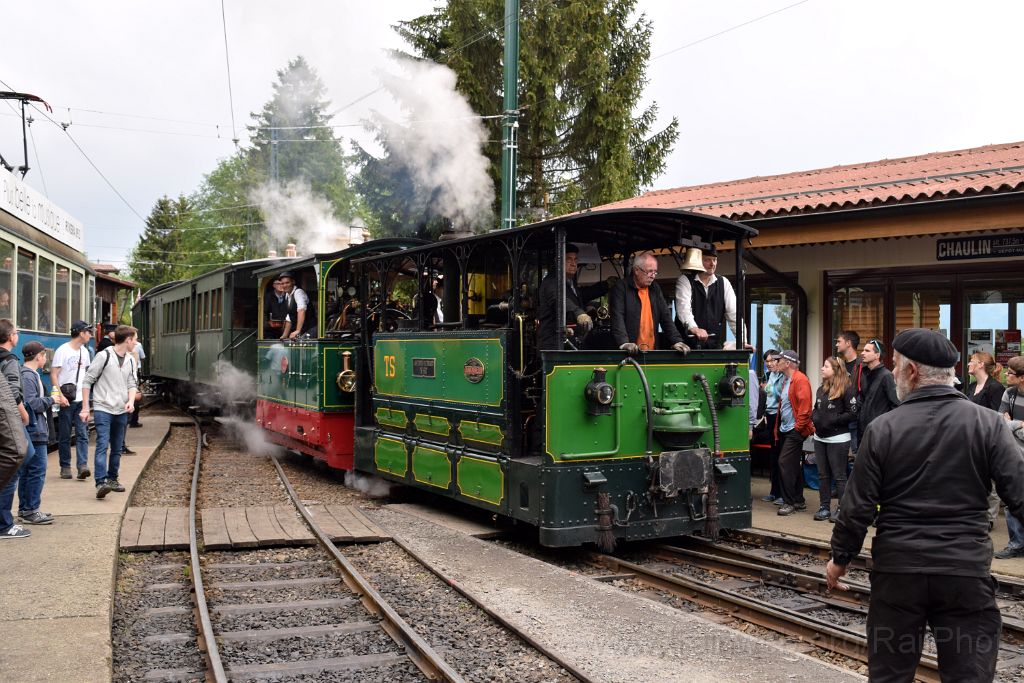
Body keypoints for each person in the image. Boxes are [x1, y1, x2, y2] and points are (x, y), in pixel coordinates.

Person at [827, 328, 1024, 682]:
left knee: (890, 676)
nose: (894, 372)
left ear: (913, 371)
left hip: (898, 575)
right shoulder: (990, 425)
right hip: (964, 573)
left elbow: (857, 506)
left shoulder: (883, 428)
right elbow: (1020, 495)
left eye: (897, 365)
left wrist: (840, 559)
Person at [80, 325, 137, 499]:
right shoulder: (103, 356)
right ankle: (100, 482)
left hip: (121, 409)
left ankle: (112, 478)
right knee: (103, 444)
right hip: (102, 407)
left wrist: (131, 401)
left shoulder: (131, 360)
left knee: (117, 447)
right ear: (127, 340)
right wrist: (85, 408)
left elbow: (132, 384)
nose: (136, 343)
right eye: (134, 339)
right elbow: (87, 381)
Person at [610, 251, 690, 354]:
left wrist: (676, 340)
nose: (653, 276)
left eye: (655, 272)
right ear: (636, 270)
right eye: (649, 271)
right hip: (629, 353)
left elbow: (665, 316)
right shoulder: (621, 287)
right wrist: (624, 343)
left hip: (652, 351)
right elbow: (617, 316)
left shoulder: (655, 288)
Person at [811, 357, 857, 522]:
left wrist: (833, 420)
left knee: (839, 476)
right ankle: (824, 507)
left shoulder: (847, 389)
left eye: (826, 366)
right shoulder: (821, 389)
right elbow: (816, 409)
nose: (822, 368)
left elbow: (852, 414)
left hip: (838, 439)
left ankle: (842, 508)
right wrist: (815, 418)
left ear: (836, 370)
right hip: (819, 437)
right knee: (823, 475)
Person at [538, 243, 608, 350]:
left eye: (575, 260)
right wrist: (579, 314)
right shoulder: (551, 281)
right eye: (569, 259)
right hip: (554, 345)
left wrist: (605, 286)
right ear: (558, 261)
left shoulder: (570, 281)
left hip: (569, 341)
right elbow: (559, 300)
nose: (573, 264)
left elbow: (581, 295)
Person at [0, 319, 32, 539]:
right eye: (16, 332)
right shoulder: (10, 359)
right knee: (19, 457)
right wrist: (23, 413)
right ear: (11, 337)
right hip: (9, 418)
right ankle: (4, 522)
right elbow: (12, 391)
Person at [51, 320, 94, 479]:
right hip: (66, 400)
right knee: (64, 434)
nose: (90, 335)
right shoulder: (63, 350)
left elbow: (86, 378)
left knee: (83, 433)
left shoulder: (85, 352)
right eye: (88, 332)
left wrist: (86, 403)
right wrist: (60, 396)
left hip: (80, 399)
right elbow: (54, 375)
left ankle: (82, 466)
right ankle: (65, 466)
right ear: (81, 333)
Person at [18, 341, 55, 525]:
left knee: (28, 471)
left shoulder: (30, 375)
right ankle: (31, 509)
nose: (45, 359)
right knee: (36, 471)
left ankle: (26, 509)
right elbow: (32, 403)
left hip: (34, 429)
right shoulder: (28, 376)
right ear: (39, 356)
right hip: (34, 430)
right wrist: (52, 399)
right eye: (44, 356)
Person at [774, 349, 814, 516]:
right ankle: (798, 500)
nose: (777, 363)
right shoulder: (786, 380)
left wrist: (798, 428)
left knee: (784, 463)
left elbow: (805, 408)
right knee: (792, 465)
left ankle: (789, 502)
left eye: (780, 360)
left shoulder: (800, 379)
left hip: (794, 430)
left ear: (788, 363)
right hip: (786, 429)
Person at [674, 245, 737, 350]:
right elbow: (683, 310)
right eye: (707, 260)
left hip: (713, 346)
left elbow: (734, 315)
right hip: (686, 347)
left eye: (715, 260)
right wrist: (694, 328)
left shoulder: (723, 282)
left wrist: (743, 340)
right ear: (698, 261)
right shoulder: (685, 280)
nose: (712, 264)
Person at [995, 355, 1024, 559]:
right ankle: (1017, 543)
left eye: (1011, 373)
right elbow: (1000, 421)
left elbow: (1008, 423)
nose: (1006, 374)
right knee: (1011, 497)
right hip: (1015, 454)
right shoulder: (1009, 393)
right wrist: (1018, 424)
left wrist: (1012, 424)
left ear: (1022, 377)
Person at [857, 338, 898, 435]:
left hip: (880, 432)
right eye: (863, 350)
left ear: (877, 355)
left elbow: (896, 405)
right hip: (863, 431)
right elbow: (862, 401)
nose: (862, 353)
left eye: (867, 351)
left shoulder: (886, 376)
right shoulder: (865, 374)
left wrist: (887, 428)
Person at [760, 350, 785, 505]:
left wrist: (767, 389)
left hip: (779, 415)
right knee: (773, 455)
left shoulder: (783, 376)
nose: (769, 364)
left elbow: (780, 395)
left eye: (772, 361)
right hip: (769, 416)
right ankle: (774, 491)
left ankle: (783, 492)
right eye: (766, 361)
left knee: (781, 455)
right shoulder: (769, 375)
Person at [835, 330, 864, 452]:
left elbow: (864, 392)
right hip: (839, 420)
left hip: (854, 421)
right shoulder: (838, 365)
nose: (836, 344)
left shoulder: (862, 365)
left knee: (853, 457)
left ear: (848, 343)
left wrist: (855, 410)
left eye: (839, 341)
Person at [278, 271, 311, 339]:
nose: (285, 285)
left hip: (310, 328)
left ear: (293, 282)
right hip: (303, 330)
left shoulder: (298, 292)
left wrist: (298, 330)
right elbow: (289, 317)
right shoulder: (287, 295)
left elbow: (301, 310)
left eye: (287, 282)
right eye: (282, 283)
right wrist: (285, 335)